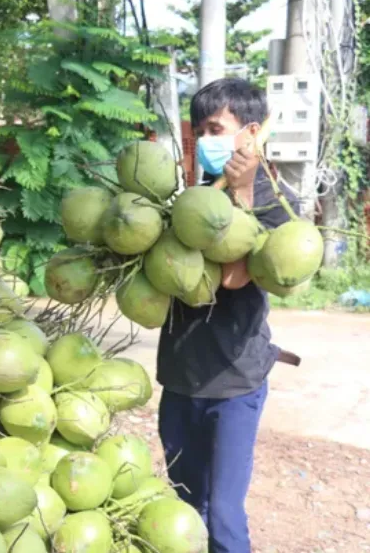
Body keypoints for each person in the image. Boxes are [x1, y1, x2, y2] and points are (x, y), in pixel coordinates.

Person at [156, 77, 299, 553]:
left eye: (216, 127)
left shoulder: (278, 205)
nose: (205, 139)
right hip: (179, 378)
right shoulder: (189, 201)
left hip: (234, 382)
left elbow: (236, 276)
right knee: (184, 505)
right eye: (199, 130)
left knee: (223, 517)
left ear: (251, 133)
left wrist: (240, 192)